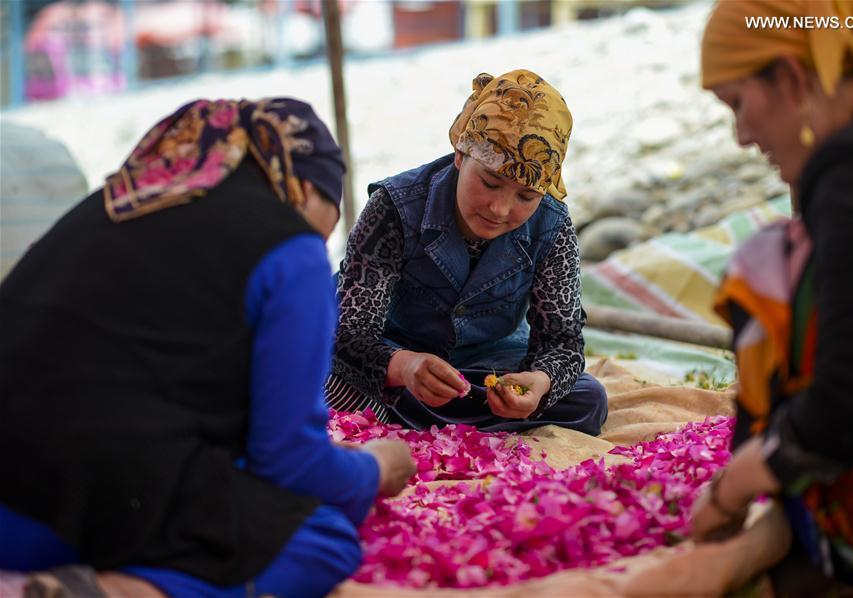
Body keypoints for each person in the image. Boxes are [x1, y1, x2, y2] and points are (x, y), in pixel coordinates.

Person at [0, 98, 416, 598]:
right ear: (305, 189)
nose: (322, 242)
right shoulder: (290, 246)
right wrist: (376, 468)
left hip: (10, 517)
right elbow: (290, 464)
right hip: (74, 514)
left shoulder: (109, 207)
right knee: (319, 539)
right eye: (327, 226)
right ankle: (113, 591)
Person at [689, 0, 853, 593]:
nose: (742, 136)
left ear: (789, 75)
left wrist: (738, 483)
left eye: (738, 103)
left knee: (765, 263)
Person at [325, 69, 608, 435]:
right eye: (490, 182)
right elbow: (351, 332)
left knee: (588, 399)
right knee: (322, 372)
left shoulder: (552, 226)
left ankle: (422, 420)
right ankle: (440, 417)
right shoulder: (394, 207)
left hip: (486, 365)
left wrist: (538, 384)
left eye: (526, 196)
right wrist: (405, 366)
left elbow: (563, 341)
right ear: (460, 155)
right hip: (393, 361)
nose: (500, 209)